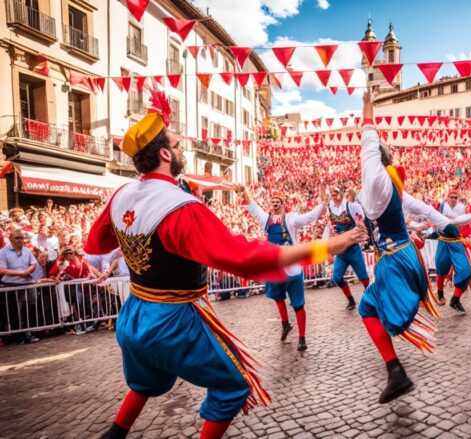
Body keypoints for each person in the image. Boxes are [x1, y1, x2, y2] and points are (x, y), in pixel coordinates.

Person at [87, 90, 365, 439]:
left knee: (147, 379)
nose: (182, 150)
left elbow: (95, 244)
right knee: (234, 385)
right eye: (176, 145)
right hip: (172, 321)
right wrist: (327, 246)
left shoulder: (121, 195)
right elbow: (245, 259)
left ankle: (115, 433)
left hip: (134, 315)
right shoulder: (181, 208)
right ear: (163, 153)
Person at [357, 91, 442, 404]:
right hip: (408, 255)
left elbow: (368, 136)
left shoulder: (376, 178)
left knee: (372, 309)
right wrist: (449, 226)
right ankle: (394, 373)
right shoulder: (394, 186)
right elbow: (425, 210)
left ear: (375, 160)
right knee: (369, 307)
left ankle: (396, 371)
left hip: (393, 260)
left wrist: (368, 104)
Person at [241, 186, 328, 351]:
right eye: (272, 201)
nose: (274, 203)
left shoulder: (291, 219)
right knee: (277, 297)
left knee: (298, 305)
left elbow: (309, 217)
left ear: (282, 204)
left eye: (277, 201)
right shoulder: (265, 219)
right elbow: (252, 206)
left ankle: (302, 338)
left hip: (292, 268)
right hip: (275, 268)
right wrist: (244, 190)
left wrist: (322, 204)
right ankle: (286, 324)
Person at [323, 186, 370, 310]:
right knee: (337, 278)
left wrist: (359, 225)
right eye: (332, 195)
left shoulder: (350, 205)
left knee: (363, 277)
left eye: (336, 194)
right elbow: (328, 226)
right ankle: (351, 300)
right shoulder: (330, 208)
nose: (334, 196)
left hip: (353, 247)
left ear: (341, 194)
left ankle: (371, 299)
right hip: (341, 250)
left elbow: (361, 216)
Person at [0, 229, 38, 344]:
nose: (20, 240)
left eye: (21, 237)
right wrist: (20, 273)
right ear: (10, 238)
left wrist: (27, 271)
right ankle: (19, 336)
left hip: (27, 283)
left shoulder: (27, 250)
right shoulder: (3, 252)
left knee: (31, 308)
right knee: (15, 311)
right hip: (12, 285)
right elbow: (2, 270)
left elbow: (33, 264)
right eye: (17, 238)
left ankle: (29, 332)